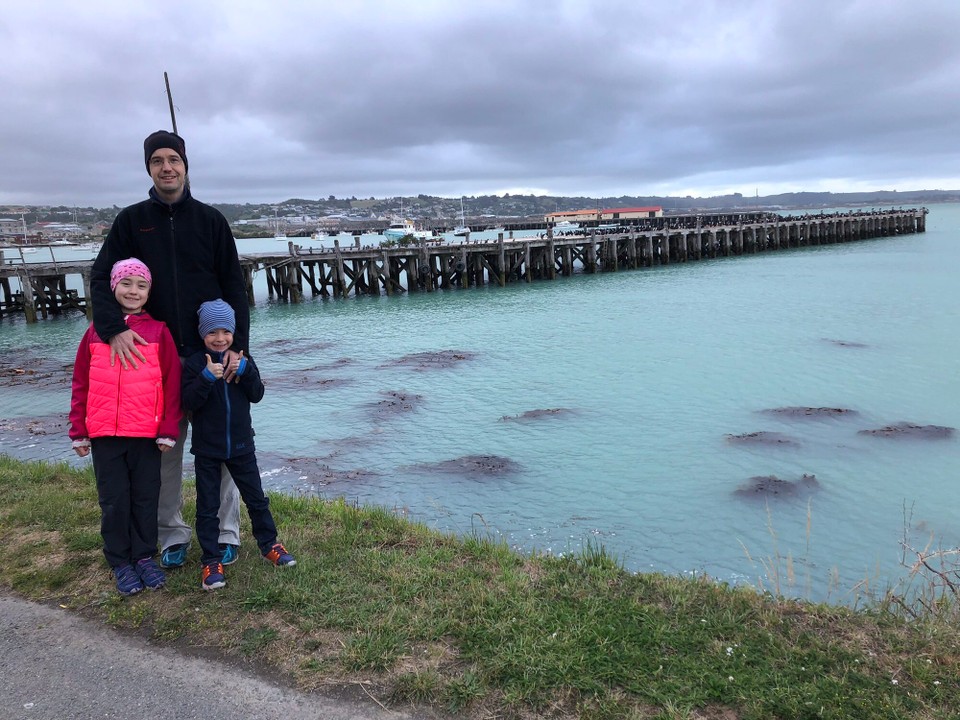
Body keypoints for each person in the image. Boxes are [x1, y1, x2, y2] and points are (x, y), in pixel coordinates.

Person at [90, 130, 248, 570]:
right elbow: (102, 278)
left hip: (211, 357)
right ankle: (172, 534)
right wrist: (111, 330)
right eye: (157, 160)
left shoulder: (211, 221)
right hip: (154, 361)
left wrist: (240, 350)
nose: (166, 167)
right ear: (148, 168)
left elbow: (235, 287)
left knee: (221, 449)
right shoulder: (131, 221)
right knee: (165, 452)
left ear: (185, 165)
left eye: (173, 159)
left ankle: (224, 532)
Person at [69, 258, 182, 596]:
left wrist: (168, 429)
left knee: (146, 498)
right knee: (114, 500)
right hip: (104, 435)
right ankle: (120, 560)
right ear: (114, 287)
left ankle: (144, 555)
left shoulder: (159, 332)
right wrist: (79, 430)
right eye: (127, 283)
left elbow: (171, 384)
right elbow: (80, 383)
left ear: (149, 292)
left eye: (141, 285)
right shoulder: (94, 331)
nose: (133, 291)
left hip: (146, 435)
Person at [182, 299, 295, 590]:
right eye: (212, 333)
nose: (219, 338)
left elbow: (257, 394)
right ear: (201, 333)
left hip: (242, 446)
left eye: (225, 332)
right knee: (207, 506)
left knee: (257, 499)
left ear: (233, 332)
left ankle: (269, 544)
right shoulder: (196, 363)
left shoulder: (242, 359)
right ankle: (211, 560)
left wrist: (245, 370)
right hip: (207, 448)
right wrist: (207, 378)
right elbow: (187, 402)